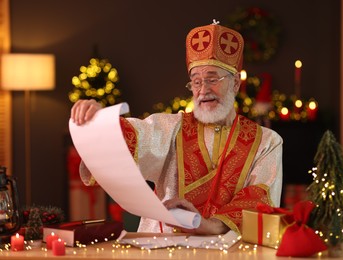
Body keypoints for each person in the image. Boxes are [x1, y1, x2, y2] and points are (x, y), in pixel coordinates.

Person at [70, 21, 283, 236]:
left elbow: (258, 200)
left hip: (228, 250)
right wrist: (101, 120)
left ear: (236, 83)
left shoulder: (266, 141)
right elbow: (133, 136)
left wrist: (208, 225)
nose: (203, 90)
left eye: (212, 79)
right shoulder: (170, 128)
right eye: (196, 82)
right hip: (163, 244)